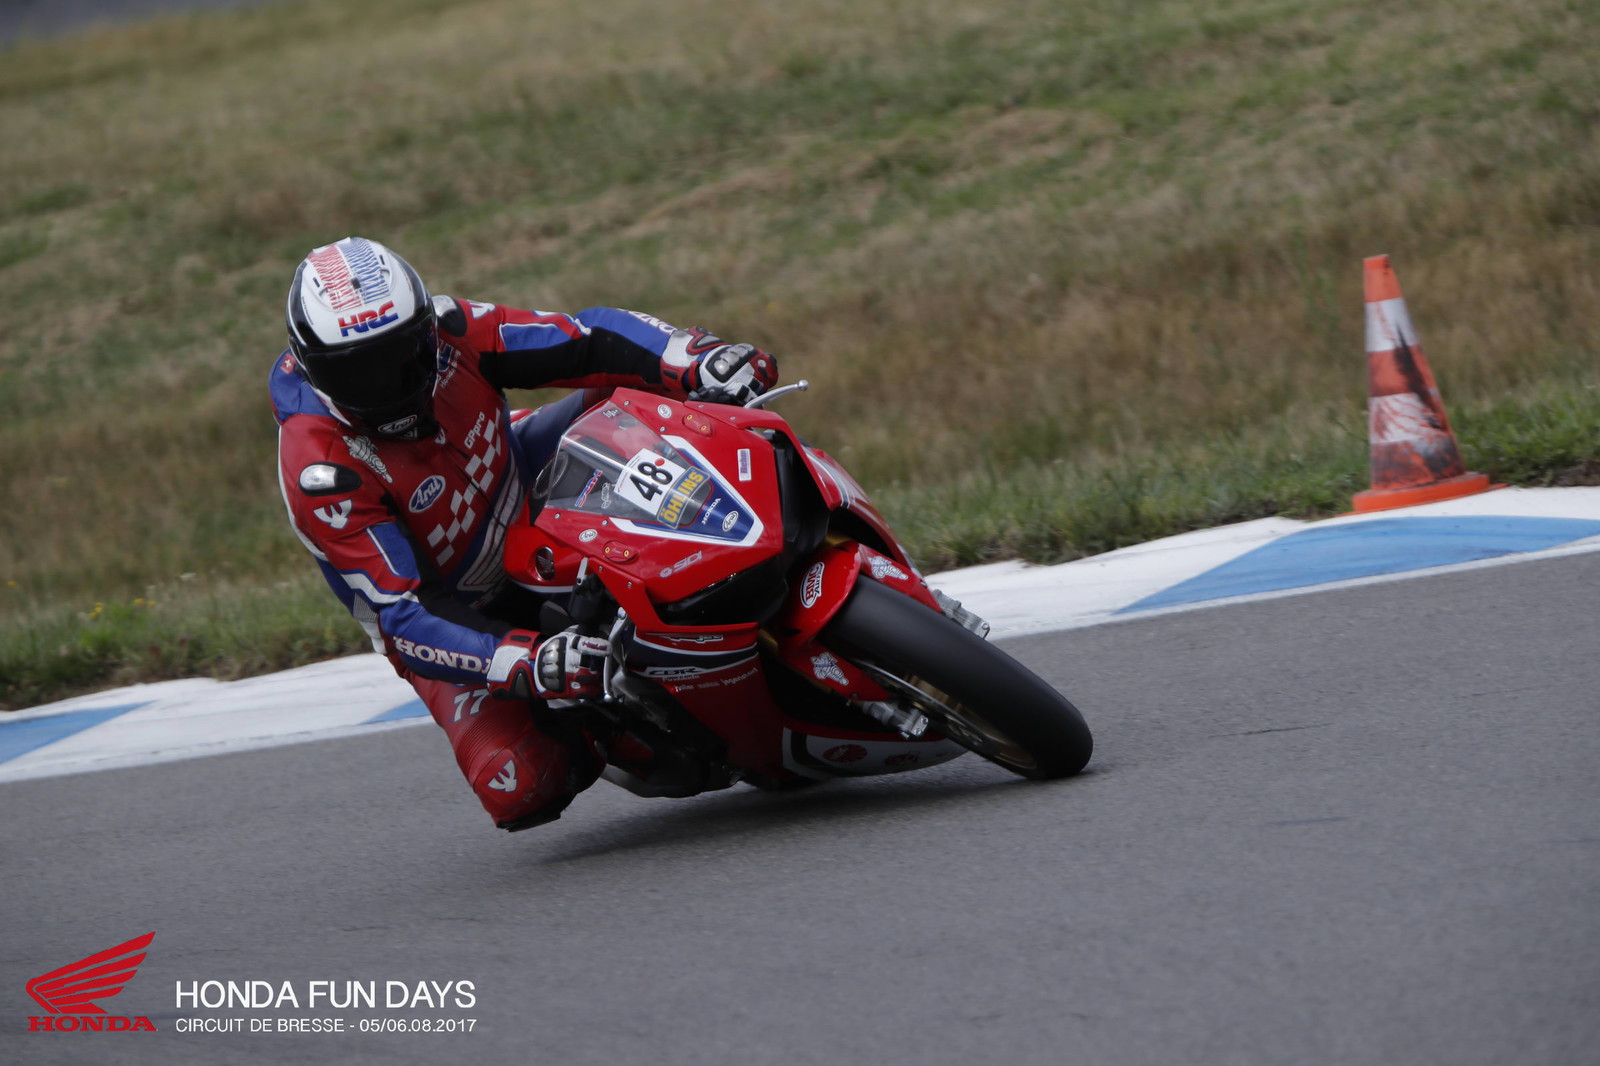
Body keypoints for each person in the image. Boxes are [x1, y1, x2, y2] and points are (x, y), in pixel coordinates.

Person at [271, 237, 778, 831]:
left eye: (399, 356)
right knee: (519, 782)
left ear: (426, 330)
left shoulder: (455, 331)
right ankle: (610, 722)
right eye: (356, 373)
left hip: (523, 479)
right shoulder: (322, 471)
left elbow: (585, 337)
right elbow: (405, 616)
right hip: (460, 611)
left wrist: (694, 357)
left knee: (647, 388)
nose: (385, 385)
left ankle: (767, 509)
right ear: (313, 367)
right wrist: (528, 661)